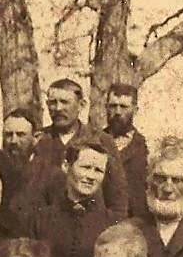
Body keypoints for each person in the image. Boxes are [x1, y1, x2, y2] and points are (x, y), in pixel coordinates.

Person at [25, 135, 120, 257]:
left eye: (98, 170)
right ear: (66, 166)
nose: (91, 176)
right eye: (85, 167)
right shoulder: (40, 219)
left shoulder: (112, 223)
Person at [24, 79, 131, 215]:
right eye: (52, 103)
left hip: (90, 223)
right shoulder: (39, 140)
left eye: (64, 102)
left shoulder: (102, 140)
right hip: (45, 224)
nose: (58, 108)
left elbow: (117, 196)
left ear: (81, 105)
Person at [102, 82, 152, 221]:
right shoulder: (94, 141)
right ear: (106, 107)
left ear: (135, 110)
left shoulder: (147, 147)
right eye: (113, 106)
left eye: (124, 107)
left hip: (134, 222)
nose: (117, 112)